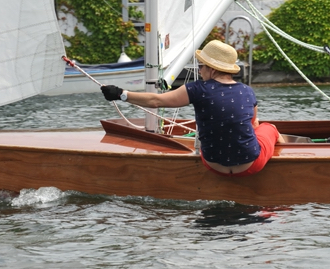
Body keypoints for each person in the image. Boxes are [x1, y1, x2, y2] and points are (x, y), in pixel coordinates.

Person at [100, 40, 281, 176]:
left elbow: (156, 101)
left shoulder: (197, 89)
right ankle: (284, 145)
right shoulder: (247, 91)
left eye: (201, 66)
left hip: (213, 165)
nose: (199, 71)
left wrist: (121, 94)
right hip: (251, 166)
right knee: (268, 128)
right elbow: (253, 124)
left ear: (211, 69)